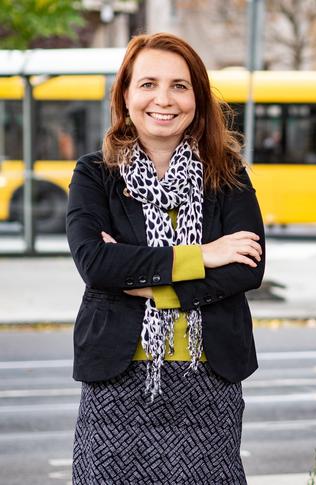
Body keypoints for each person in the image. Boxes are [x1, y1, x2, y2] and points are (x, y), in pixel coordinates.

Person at [66, 33, 265, 484]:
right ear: (126, 95)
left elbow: (247, 269)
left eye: (179, 85)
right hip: (116, 383)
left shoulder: (227, 175)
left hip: (208, 382)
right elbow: (96, 264)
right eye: (148, 84)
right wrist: (205, 255)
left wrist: (142, 276)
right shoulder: (95, 174)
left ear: (196, 97)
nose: (163, 99)